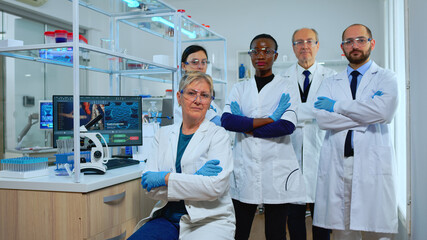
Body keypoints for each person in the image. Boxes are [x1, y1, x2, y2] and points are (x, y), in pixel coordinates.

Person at [313, 24, 398, 239]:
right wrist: (366, 113)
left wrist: (337, 106)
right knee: (343, 233)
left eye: (360, 40)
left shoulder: (387, 78)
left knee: (376, 233)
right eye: (349, 42)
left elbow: (384, 113)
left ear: (372, 43)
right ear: (342, 47)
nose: (355, 46)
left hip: (372, 162)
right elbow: (322, 119)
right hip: (339, 162)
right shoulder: (330, 82)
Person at [129, 71, 235, 240]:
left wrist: (166, 178)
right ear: (179, 97)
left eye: (205, 95)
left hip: (208, 220)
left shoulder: (218, 135)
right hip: (166, 218)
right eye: (191, 93)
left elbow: (214, 188)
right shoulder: (162, 135)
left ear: (209, 102)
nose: (198, 100)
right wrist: (196, 178)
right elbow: (150, 188)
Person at [221, 34, 305, 240]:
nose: (261, 55)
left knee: (276, 233)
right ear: (250, 55)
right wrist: (270, 119)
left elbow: (286, 126)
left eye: (267, 51)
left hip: (277, 170)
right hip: (245, 168)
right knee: (238, 231)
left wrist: (246, 125)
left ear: (275, 56)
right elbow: (227, 121)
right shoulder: (239, 88)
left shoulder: (287, 87)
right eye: (255, 51)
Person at [283, 28, 335, 240]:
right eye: (299, 42)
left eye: (309, 41)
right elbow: (281, 112)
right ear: (293, 47)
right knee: (293, 214)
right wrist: (316, 111)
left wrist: (296, 113)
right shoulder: (282, 77)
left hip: (321, 148)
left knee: (322, 216)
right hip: (290, 151)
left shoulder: (332, 78)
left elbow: (331, 112)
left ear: (317, 45)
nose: (304, 46)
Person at [174, 45, 222, 126]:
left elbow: (219, 115)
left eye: (203, 62)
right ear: (184, 66)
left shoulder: (206, 92)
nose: (200, 67)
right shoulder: (181, 95)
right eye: (194, 62)